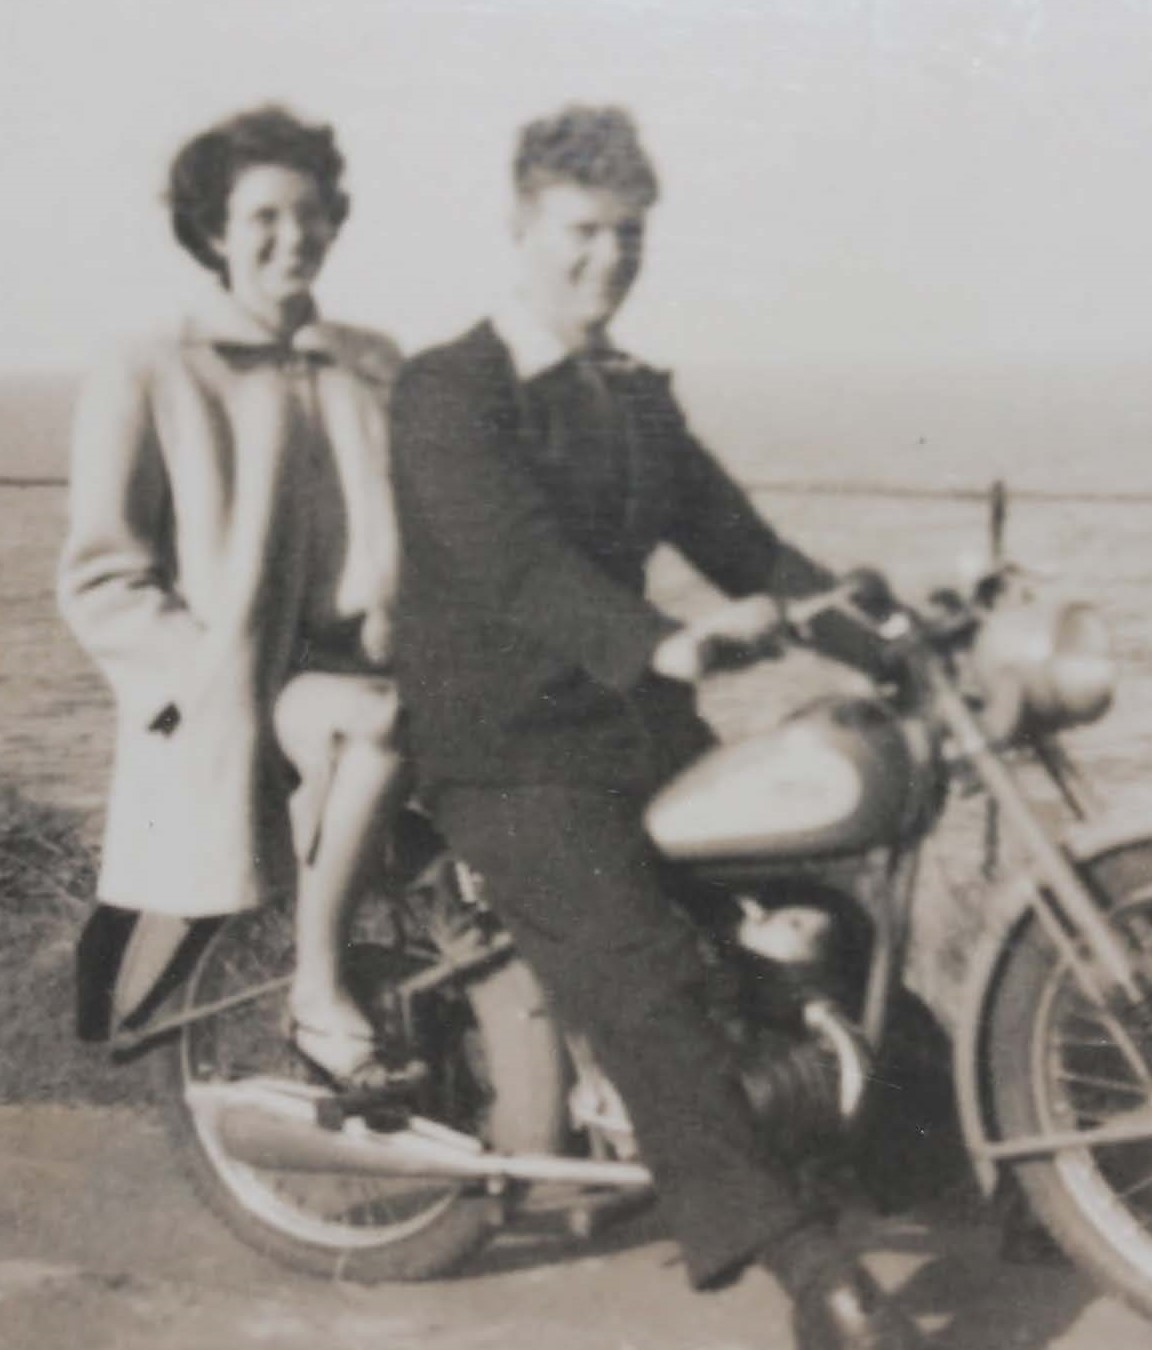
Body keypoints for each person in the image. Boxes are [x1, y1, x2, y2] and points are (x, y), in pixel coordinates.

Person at [388, 106, 922, 1350]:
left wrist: (881, 638)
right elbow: (518, 569)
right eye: (582, 233)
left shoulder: (632, 395)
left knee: (821, 920)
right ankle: (802, 1267)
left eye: (629, 237)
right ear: (521, 231)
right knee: (643, 983)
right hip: (510, 753)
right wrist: (661, 642)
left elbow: (743, 544)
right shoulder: (447, 391)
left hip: (635, 732)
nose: (607, 261)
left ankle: (946, 1165)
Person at [58, 105, 406, 1085]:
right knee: (381, 721)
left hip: (358, 664)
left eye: (310, 214)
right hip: (234, 691)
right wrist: (202, 687)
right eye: (262, 217)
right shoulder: (149, 365)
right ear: (213, 231)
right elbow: (103, 578)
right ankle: (318, 991)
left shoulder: (373, 365)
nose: (291, 237)